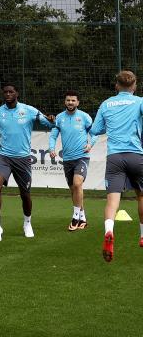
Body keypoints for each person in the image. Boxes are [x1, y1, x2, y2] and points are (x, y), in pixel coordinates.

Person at [0, 83, 54, 241]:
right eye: (5, 92)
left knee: (25, 194)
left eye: (11, 91)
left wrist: (51, 119)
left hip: (23, 159)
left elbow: (48, 123)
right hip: (4, 157)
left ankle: (27, 223)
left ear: (17, 93)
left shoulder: (29, 110)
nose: (8, 94)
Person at [89, 70, 143, 262]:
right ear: (134, 86)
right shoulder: (140, 102)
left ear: (116, 86)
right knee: (141, 195)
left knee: (112, 200)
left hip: (114, 157)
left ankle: (109, 230)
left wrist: (111, 124)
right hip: (136, 155)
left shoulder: (106, 104)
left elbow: (95, 130)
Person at [48, 91, 95, 231]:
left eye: (73, 100)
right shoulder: (59, 118)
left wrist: (90, 144)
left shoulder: (84, 117)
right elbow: (53, 136)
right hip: (67, 159)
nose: (70, 102)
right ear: (65, 102)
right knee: (74, 189)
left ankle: (75, 218)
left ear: (78, 102)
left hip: (82, 156)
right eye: (68, 100)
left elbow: (94, 134)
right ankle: (83, 218)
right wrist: (51, 148)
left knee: (77, 183)